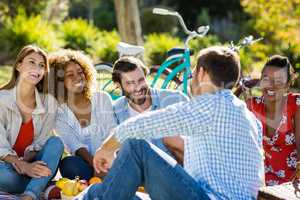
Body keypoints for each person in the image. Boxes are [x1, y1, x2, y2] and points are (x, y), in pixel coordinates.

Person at [75, 46, 264, 200]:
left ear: (203, 73)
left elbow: (138, 127)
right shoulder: (247, 116)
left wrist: (107, 148)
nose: (191, 79)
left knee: (137, 146)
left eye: (193, 72)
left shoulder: (210, 105)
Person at [0, 45, 64, 200]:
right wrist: (21, 165)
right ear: (19, 65)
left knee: (56, 142)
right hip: (7, 166)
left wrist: (29, 165)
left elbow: (42, 142)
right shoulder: (2, 99)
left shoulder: (49, 103)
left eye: (42, 65)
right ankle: (42, 186)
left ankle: (29, 195)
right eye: (32, 62)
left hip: (36, 165)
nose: (37, 68)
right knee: (4, 176)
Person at [49, 49, 116, 180]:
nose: (78, 77)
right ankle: (102, 180)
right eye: (70, 75)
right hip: (88, 165)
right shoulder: (59, 112)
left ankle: (107, 178)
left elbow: (112, 132)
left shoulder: (102, 98)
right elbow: (75, 145)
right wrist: (95, 166)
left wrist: (106, 164)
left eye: (80, 72)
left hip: (112, 158)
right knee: (68, 164)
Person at [112, 56, 189, 159]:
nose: (138, 87)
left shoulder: (176, 99)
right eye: (130, 83)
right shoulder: (116, 110)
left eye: (141, 80)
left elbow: (193, 146)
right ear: (119, 85)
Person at [246, 55, 300, 186]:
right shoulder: (252, 106)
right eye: (266, 79)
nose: (271, 85)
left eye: (278, 81)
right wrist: (242, 86)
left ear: (287, 85)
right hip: (262, 180)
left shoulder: (295, 104)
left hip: (293, 182)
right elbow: (228, 106)